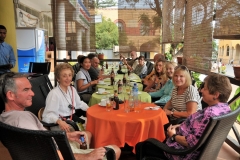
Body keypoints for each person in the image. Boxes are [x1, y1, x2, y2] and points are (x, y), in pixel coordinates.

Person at [0, 72, 121, 160]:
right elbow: (47, 154)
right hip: (62, 153)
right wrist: (87, 156)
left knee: (86, 135)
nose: (32, 93)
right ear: (10, 95)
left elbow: (41, 139)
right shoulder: (22, 120)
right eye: (26, 90)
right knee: (115, 149)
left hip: (58, 144)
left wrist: (67, 136)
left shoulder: (6, 117)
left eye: (31, 89)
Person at [136, 74, 232, 159]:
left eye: (205, 88)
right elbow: (198, 130)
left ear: (216, 95)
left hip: (180, 154)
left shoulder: (209, 114)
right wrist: (179, 126)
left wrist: (173, 135)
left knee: (141, 145)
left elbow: (190, 143)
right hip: (197, 150)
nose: (201, 90)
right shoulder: (225, 109)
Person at [42, 63, 88, 131]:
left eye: (70, 75)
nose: (68, 78)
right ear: (58, 78)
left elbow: (79, 104)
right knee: (88, 130)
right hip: (61, 125)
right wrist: (59, 121)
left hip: (72, 119)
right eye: (64, 76)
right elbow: (46, 116)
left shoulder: (72, 89)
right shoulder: (54, 94)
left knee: (91, 124)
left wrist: (90, 109)